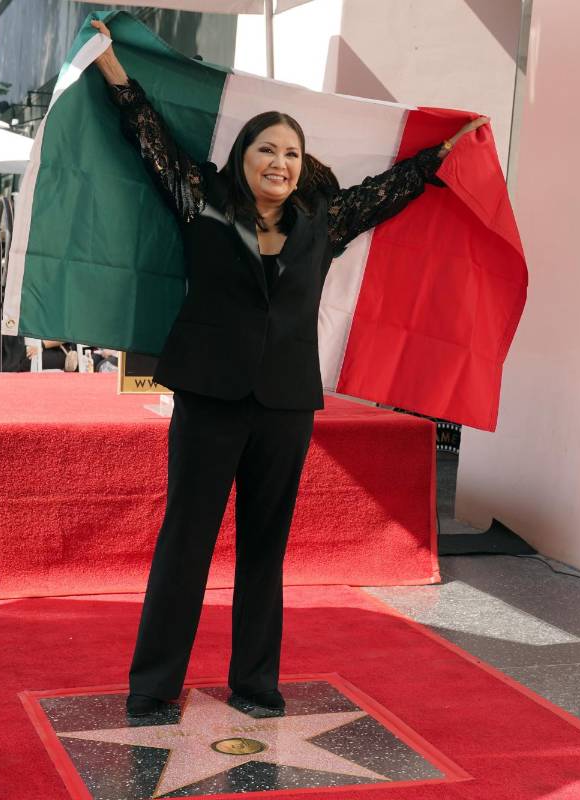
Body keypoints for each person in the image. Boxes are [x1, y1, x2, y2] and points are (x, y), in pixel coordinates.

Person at [88, 18, 488, 718]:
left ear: (303, 166)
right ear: (244, 155)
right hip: (210, 398)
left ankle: (256, 684)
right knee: (186, 541)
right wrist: (111, 63)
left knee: (265, 551)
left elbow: (389, 190)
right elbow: (145, 132)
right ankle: (152, 686)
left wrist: (443, 153)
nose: (280, 161)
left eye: (292, 154)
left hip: (285, 405)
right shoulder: (201, 202)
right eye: (268, 148)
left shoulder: (324, 224)